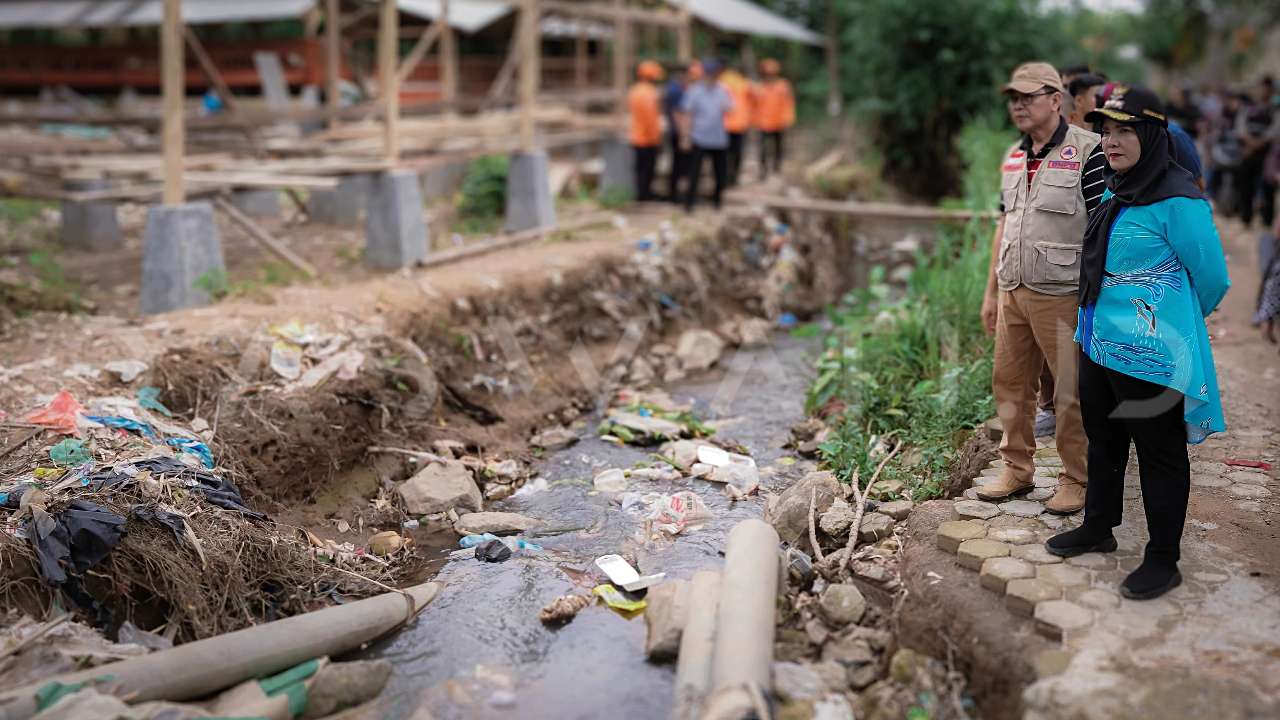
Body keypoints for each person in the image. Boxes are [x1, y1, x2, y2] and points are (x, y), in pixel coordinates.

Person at [1046, 85, 1230, 601]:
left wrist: (1172, 324)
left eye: (1125, 130)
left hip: (1153, 356)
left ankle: (1162, 558)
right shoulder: (1115, 188)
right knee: (1104, 439)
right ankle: (1099, 527)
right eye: (1106, 131)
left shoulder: (1179, 200)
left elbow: (1212, 279)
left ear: (1151, 134)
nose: (1112, 141)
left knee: (1160, 454)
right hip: (1099, 343)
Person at [979, 62, 1106, 514]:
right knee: (1010, 384)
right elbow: (1005, 222)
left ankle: (1077, 477)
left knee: (1070, 391)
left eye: (1028, 96)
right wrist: (991, 292)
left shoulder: (1089, 151)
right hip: (1013, 287)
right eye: (1014, 97)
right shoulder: (1013, 156)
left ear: (1056, 100)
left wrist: (1102, 294)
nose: (1018, 105)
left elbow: (1104, 227)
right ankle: (1016, 468)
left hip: (1063, 293)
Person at [678, 59, 733, 212]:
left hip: (718, 139)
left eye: (714, 74)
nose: (712, 77)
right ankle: (689, 205)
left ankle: (717, 203)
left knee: (720, 174)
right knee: (694, 173)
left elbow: (730, 108)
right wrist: (685, 136)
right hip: (699, 138)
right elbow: (686, 115)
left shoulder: (722, 90)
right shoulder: (694, 91)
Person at [1237, 76, 1277, 229]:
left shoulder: (1274, 108)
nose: (1263, 92)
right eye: (1261, 88)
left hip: (1267, 155)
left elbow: (1275, 129)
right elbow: (1240, 126)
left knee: (1268, 187)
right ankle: (1245, 219)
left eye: (1267, 89)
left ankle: (1267, 221)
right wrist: (1249, 143)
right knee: (1246, 186)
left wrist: (1259, 143)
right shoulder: (1248, 106)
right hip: (1247, 152)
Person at [628, 60, 664, 202]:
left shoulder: (635, 90)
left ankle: (641, 194)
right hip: (648, 137)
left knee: (640, 169)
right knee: (647, 169)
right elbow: (650, 118)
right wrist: (656, 136)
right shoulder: (649, 93)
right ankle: (644, 195)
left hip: (637, 135)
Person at [754, 58, 795, 180]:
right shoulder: (760, 86)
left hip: (779, 122)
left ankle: (777, 166)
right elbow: (755, 104)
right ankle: (763, 170)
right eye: (767, 73)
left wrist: (788, 117)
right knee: (763, 148)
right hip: (763, 122)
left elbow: (788, 103)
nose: (769, 75)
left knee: (779, 146)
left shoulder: (783, 85)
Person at [663, 62, 697, 203]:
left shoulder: (679, 88)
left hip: (680, 132)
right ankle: (675, 195)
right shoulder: (675, 90)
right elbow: (678, 114)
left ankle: (677, 194)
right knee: (679, 164)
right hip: (679, 133)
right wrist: (685, 136)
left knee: (682, 165)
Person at [720, 64, 753, 187]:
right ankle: (732, 177)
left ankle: (725, 178)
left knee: (724, 153)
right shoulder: (745, 83)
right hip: (739, 124)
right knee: (736, 154)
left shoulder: (722, 81)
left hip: (725, 124)